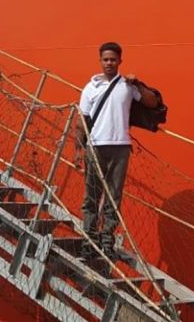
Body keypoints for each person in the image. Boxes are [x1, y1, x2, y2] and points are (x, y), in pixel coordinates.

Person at [78, 41, 159, 259]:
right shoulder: (90, 88)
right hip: (95, 146)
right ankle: (89, 240)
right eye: (105, 59)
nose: (109, 63)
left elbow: (152, 103)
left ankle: (107, 241)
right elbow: (83, 120)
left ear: (120, 61)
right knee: (92, 197)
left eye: (113, 59)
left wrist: (139, 83)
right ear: (100, 61)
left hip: (120, 147)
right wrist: (79, 148)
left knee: (114, 197)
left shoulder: (128, 85)